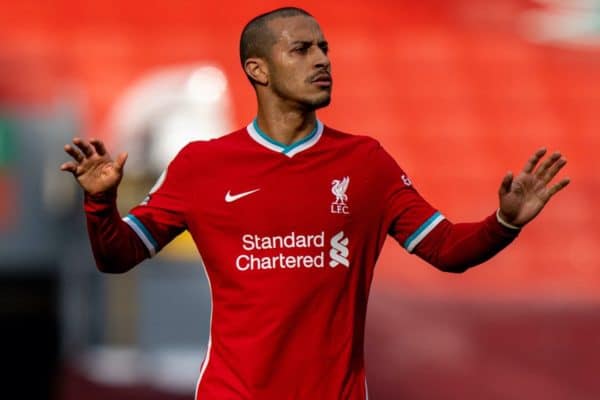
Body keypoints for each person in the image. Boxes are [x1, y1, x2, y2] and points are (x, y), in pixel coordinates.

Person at [60, 7, 570, 400]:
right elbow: (117, 257)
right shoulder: (202, 165)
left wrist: (504, 222)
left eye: (324, 48)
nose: (322, 60)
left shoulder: (366, 162)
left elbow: (446, 250)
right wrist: (100, 203)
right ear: (257, 69)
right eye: (301, 49)